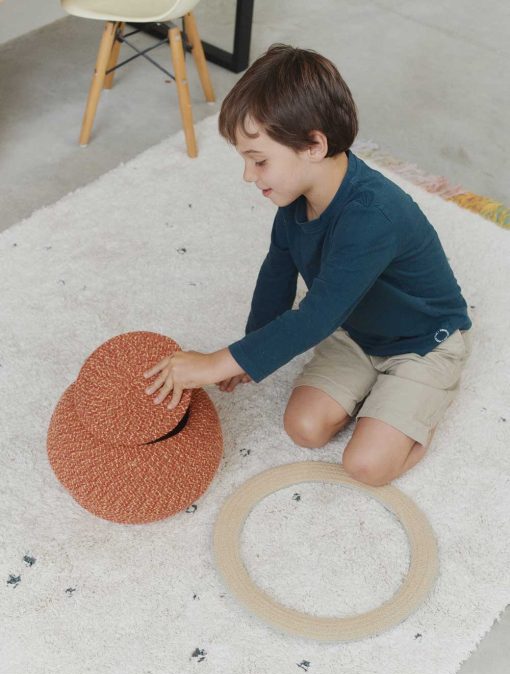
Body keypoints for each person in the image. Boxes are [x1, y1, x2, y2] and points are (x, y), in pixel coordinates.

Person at [143, 43, 473, 486]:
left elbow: (314, 318)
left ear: (314, 145)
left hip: (423, 343)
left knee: (367, 466)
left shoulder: (374, 216)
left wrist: (216, 362)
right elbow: (276, 276)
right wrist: (246, 353)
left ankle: (414, 408)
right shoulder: (295, 201)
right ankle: (378, 397)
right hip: (355, 332)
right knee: (304, 428)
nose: (248, 176)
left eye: (259, 161)